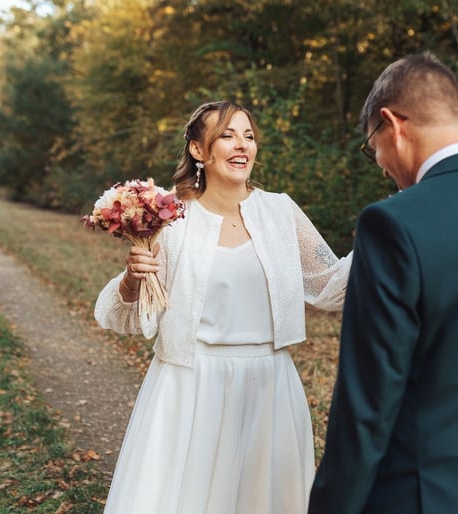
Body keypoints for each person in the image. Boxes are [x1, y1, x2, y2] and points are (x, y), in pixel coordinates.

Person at [308, 51, 458, 513]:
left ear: (392, 125)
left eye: (372, 147)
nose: (380, 163)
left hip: (421, 496)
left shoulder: (392, 225)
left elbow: (366, 408)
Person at [94, 100, 352, 513]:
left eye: (248, 136)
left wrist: (386, 236)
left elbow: (331, 286)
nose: (241, 146)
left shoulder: (280, 211)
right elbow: (119, 317)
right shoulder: (171, 220)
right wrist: (130, 278)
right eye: (227, 135)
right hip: (191, 385)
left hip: (270, 385)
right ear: (199, 150)